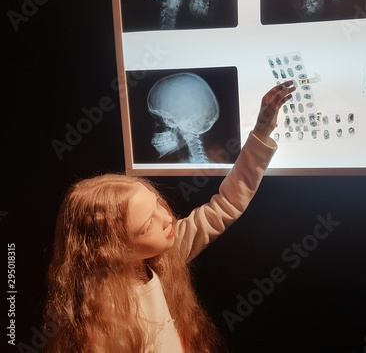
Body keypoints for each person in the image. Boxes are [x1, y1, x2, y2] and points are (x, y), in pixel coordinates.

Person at [43, 81, 295, 353]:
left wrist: (261, 131)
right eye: (148, 224)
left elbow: (227, 203)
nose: (167, 219)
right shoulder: (99, 322)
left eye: (159, 205)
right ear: (113, 249)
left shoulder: (162, 256)